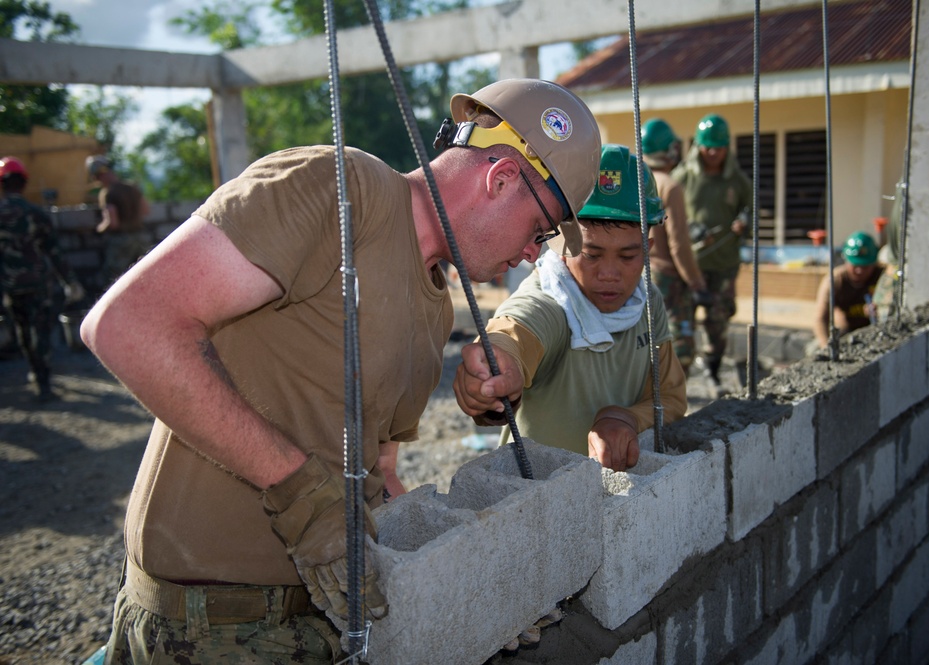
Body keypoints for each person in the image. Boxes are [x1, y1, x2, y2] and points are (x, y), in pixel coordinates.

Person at [79, 78, 601, 663]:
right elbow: (130, 324)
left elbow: (374, 477)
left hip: (319, 623)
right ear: (500, 178)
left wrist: (465, 586)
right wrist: (297, 490)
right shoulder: (343, 192)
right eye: (541, 230)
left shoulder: (433, 309)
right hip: (206, 629)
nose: (535, 254)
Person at [452, 144, 688, 472]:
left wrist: (627, 417)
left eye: (628, 256)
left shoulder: (647, 302)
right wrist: (494, 367)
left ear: (647, 249)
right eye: (592, 254)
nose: (609, 274)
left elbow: (672, 399)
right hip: (538, 503)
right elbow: (516, 330)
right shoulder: (552, 300)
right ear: (563, 242)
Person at [671, 113, 752, 387]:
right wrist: (690, 228)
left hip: (724, 264)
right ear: (698, 146)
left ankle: (714, 368)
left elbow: (750, 211)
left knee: (718, 322)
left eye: (719, 147)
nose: (714, 153)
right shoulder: (683, 177)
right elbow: (665, 211)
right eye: (709, 147)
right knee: (683, 325)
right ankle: (681, 379)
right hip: (690, 266)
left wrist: (745, 224)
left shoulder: (737, 181)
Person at [0, 156, 84, 401]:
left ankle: (36, 375)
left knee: (23, 331)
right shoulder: (35, 214)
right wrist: (70, 282)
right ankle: (44, 383)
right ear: (23, 183)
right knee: (42, 332)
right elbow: (54, 252)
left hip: (10, 286)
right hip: (38, 284)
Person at [641, 118, 707, 375]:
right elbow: (679, 245)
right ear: (669, 150)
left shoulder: (635, 180)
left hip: (641, 275)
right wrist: (696, 282)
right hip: (668, 279)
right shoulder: (670, 186)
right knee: (677, 350)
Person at [86, 155, 151, 286]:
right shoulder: (132, 188)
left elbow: (112, 222)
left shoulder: (107, 193)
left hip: (121, 242)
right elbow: (146, 210)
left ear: (97, 176)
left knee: (112, 281)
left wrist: (97, 230)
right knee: (146, 277)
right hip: (141, 238)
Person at [813, 231, 886, 347]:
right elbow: (820, 318)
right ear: (846, 260)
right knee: (814, 349)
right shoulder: (834, 281)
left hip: (877, 331)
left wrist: (882, 308)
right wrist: (825, 347)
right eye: (855, 265)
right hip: (846, 331)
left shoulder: (883, 277)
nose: (859, 271)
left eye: (865, 266)